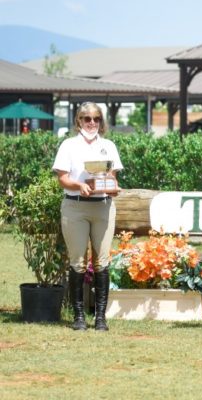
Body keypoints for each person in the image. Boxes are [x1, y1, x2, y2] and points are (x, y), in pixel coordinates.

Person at [52, 102, 123, 331]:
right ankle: (79, 317)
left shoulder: (109, 146)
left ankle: (101, 317)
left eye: (96, 118)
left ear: (102, 122)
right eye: (87, 118)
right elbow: (62, 178)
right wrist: (78, 184)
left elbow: (111, 176)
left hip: (103, 206)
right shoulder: (68, 145)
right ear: (78, 121)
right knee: (78, 262)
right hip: (76, 206)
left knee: (102, 262)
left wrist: (112, 186)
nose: (92, 122)